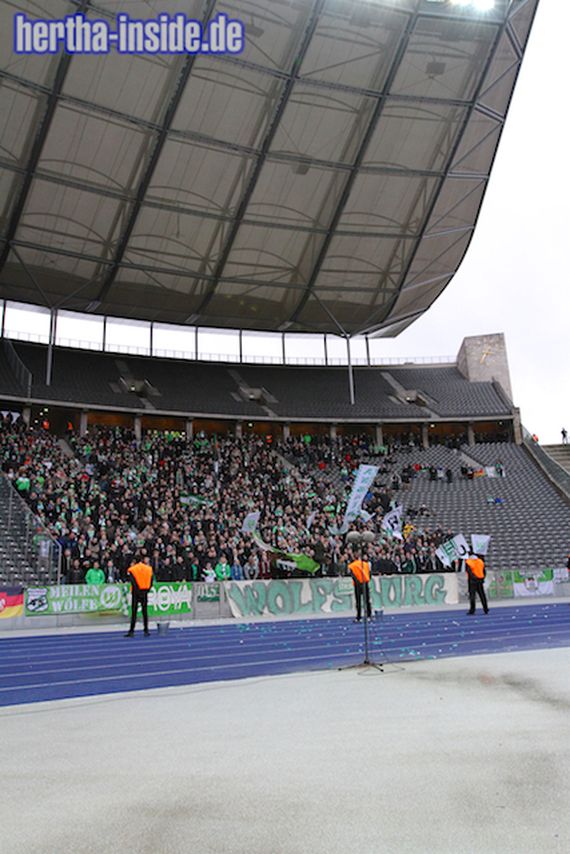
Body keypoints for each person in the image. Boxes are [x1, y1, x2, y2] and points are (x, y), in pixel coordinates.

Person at [124, 554, 153, 637]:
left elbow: (133, 582)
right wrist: (147, 590)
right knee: (145, 612)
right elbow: (151, 581)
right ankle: (146, 630)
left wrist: (137, 591)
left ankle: (131, 631)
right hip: (144, 591)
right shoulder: (148, 569)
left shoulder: (132, 569)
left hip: (136, 592)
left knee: (134, 612)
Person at [348, 552, 372, 622]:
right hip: (365, 583)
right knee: (367, 600)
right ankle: (369, 615)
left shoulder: (351, 565)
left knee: (358, 601)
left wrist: (357, 582)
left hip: (357, 585)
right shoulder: (366, 564)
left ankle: (358, 617)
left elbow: (352, 575)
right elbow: (369, 574)